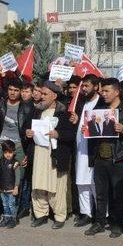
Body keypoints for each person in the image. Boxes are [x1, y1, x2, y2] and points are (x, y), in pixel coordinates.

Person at [84, 78, 123, 238]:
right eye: (102, 91)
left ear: (117, 92)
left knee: (118, 193)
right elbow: (93, 130)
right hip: (100, 157)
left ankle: (117, 223)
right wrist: (87, 128)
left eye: (106, 91)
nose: (103, 94)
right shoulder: (99, 109)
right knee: (100, 193)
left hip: (118, 158)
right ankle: (99, 222)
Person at [26, 82, 76, 229]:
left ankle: (59, 216)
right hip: (39, 153)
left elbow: (71, 134)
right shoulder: (36, 111)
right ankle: (40, 214)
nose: (41, 96)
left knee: (57, 186)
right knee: (39, 184)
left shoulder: (64, 113)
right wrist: (28, 132)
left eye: (45, 94)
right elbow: (26, 127)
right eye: (41, 93)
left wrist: (58, 134)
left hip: (56, 155)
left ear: (54, 96)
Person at [0, 78, 33, 223]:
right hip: (1, 146)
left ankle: (12, 213)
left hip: (18, 147)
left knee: (16, 181)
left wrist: (27, 153)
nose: (12, 93)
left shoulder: (28, 108)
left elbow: (31, 131)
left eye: (16, 90)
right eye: (10, 90)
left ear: (20, 92)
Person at [68, 74, 101, 227]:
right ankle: (86, 212)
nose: (84, 89)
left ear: (95, 86)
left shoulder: (101, 103)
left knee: (95, 182)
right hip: (81, 148)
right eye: (83, 86)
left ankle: (101, 214)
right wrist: (75, 123)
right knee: (81, 182)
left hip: (95, 149)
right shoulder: (81, 103)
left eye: (87, 86)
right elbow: (79, 123)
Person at [0, 140, 20, 229]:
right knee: (5, 204)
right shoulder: (0, 161)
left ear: (13, 152)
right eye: (5, 152)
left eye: (10, 152)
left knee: (11, 204)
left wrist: (16, 187)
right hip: (3, 188)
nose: (8, 154)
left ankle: (13, 219)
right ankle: (6, 218)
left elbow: (17, 176)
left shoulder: (15, 163)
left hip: (11, 189)